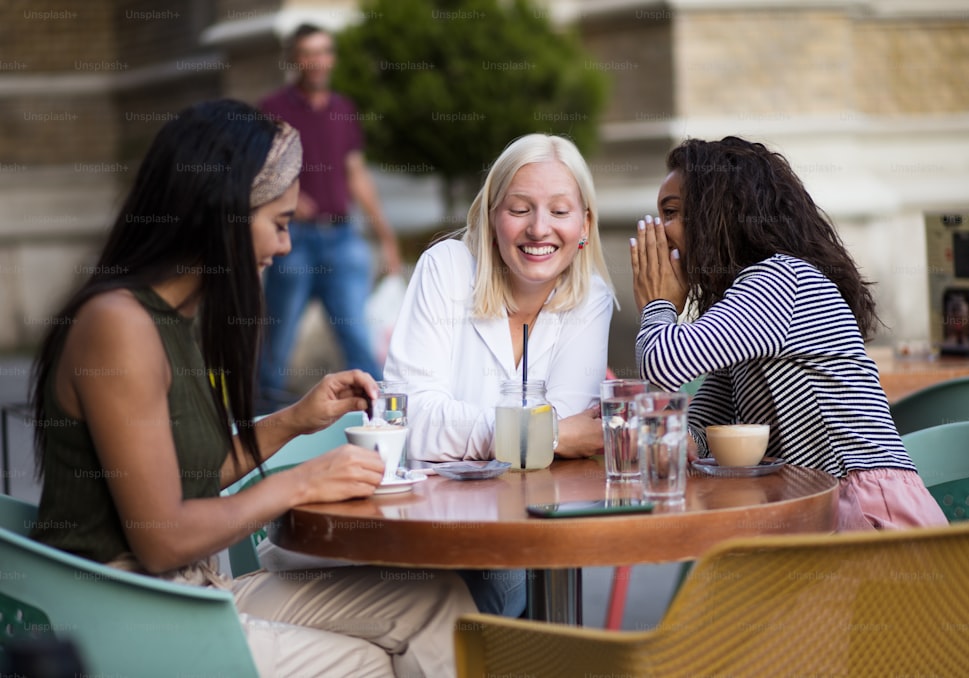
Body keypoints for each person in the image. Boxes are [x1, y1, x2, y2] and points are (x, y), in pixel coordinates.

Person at [29, 99, 475, 678]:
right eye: (280, 223)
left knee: (433, 600)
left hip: (195, 590)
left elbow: (184, 476)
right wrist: (302, 479)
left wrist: (293, 420)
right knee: (366, 663)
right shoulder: (120, 326)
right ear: (223, 216)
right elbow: (161, 538)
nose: (287, 246)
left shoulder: (173, 317)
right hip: (129, 614)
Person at [629, 135, 948, 532]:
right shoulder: (745, 303)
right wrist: (679, 439)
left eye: (671, 212)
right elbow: (706, 426)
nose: (659, 233)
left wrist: (657, 302)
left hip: (865, 512)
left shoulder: (781, 280)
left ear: (715, 213)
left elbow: (662, 366)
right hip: (815, 510)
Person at [382, 133, 617, 616]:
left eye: (559, 210)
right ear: (492, 216)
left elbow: (577, 436)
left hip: (526, 539)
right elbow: (409, 423)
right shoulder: (446, 268)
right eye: (519, 208)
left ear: (585, 225)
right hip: (428, 530)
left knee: (494, 594)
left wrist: (543, 436)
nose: (538, 228)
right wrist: (544, 434)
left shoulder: (591, 296)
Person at [256, 23, 401, 412]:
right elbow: (258, 169)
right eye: (308, 52)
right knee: (277, 342)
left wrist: (385, 236)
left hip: (342, 240)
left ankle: (382, 421)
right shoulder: (273, 109)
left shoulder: (343, 109)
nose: (317, 61)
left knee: (357, 336)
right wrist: (289, 196)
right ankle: (258, 433)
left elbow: (356, 173)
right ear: (294, 59)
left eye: (324, 51)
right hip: (293, 242)